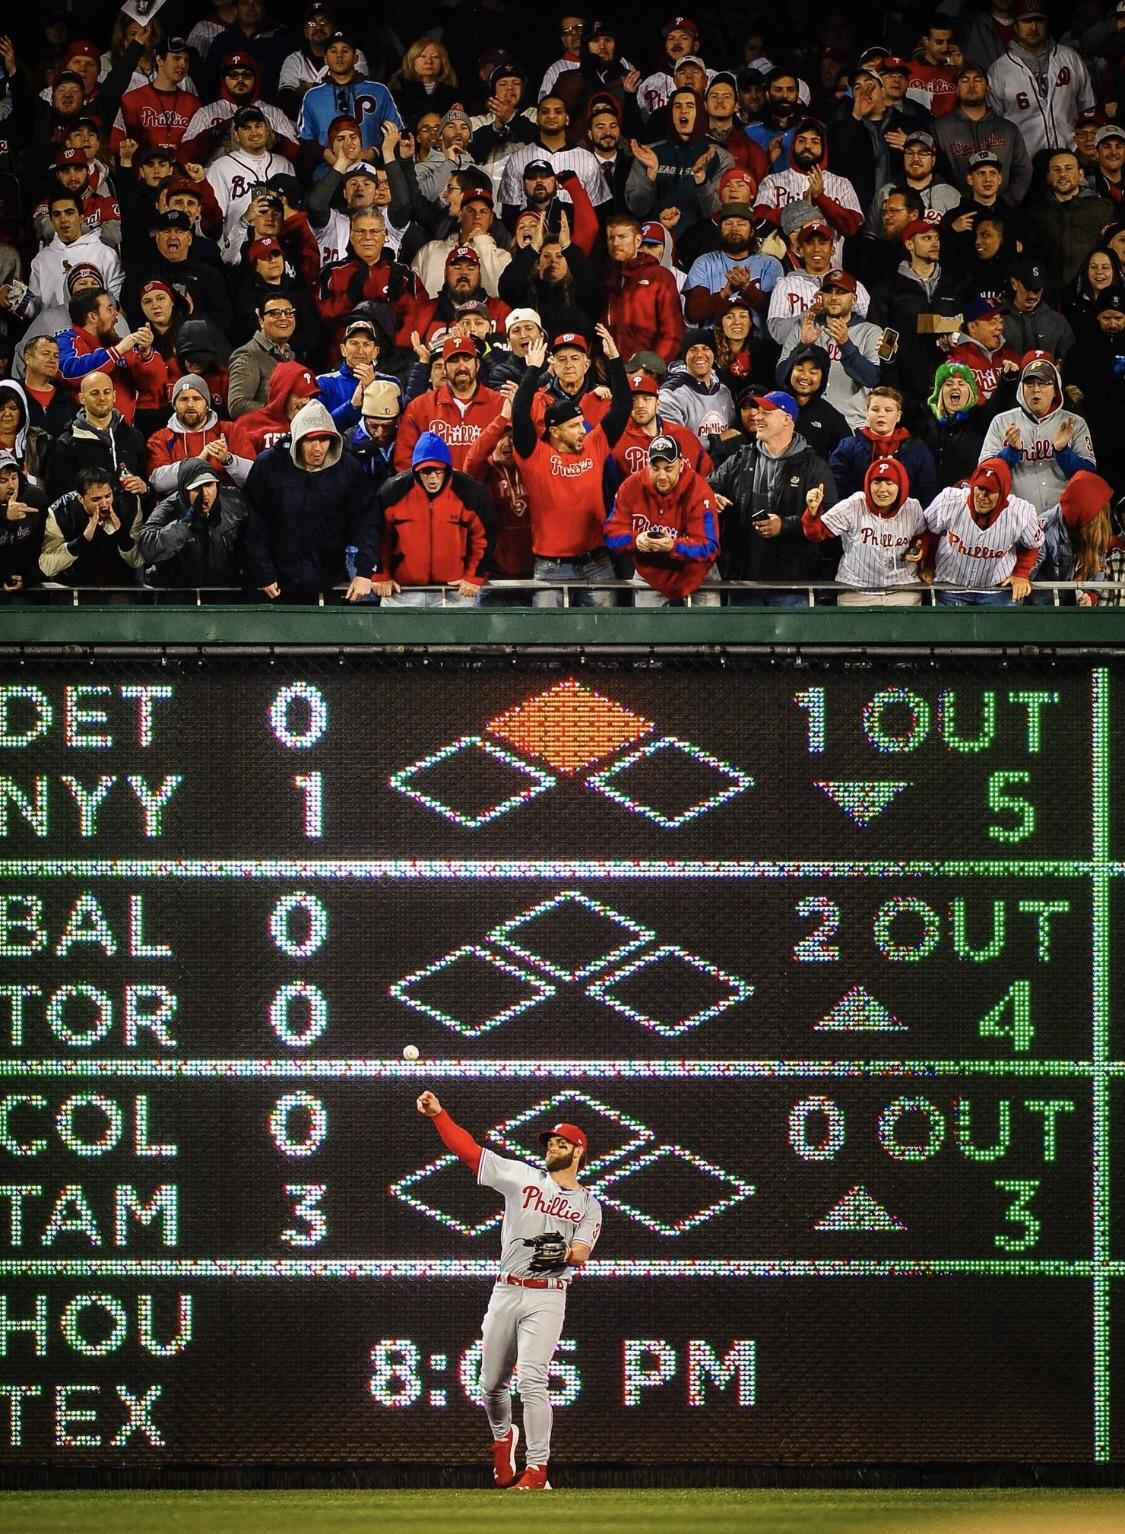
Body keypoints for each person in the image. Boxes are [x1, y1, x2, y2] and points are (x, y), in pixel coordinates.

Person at [415, 1089, 601, 1492]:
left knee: (532, 1380)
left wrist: (565, 1251)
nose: (553, 1146)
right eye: (550, 1142)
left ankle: (537, 1471)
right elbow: (469, 1152)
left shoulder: (588, 1203)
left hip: (548, 1295)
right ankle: (503, 1440)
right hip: (506, 1289)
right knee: (491, 1383)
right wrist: (439, 1115)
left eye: (561, 1143)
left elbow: (582, 1252)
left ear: (578, 1152)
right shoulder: (522, 1177)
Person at [511, 324, 629, 606]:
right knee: (550, 645)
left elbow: (623, 407)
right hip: (551, 567)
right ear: (554, 430)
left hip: (597, 562)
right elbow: (519, 413)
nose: (583, 430)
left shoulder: (594, 444)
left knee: (604, 641)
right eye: (574, 426)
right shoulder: (534, 456)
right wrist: (533, 370)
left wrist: (614, 359)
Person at [708, 390, 837, 604]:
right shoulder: (741, 458)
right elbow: (704, 488)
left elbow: (829, 519)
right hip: (743, 582)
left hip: (791, 584)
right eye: (757, 411)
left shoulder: (814, 467)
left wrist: (785, 525)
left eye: (766, 412)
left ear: (787, 419)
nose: (757, 417)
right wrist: (711, 496)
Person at [243, 399, 379, 601]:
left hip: (330, 581)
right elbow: (254, 523)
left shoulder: (348, 469)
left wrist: (365, 571)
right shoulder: (269, 465)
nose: (318, 448)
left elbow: (367, 521)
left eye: (325, 440)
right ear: (298, 438)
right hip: (275, 584)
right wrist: (262, 571)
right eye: (311, 440)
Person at [373, 431, 492, 606]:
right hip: (402, 593)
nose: (433, 478)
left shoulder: (471, 492)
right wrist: (381, 574)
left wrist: (474, 576)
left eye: (438, 471)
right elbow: (379, 536)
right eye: (426, 471)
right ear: (415, 471)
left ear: (447, 469)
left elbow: (484, 537)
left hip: (457, 593)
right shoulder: (392, 492)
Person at [605, 434, 720, 606]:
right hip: (651, 573)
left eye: (668, 468)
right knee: (647, 631)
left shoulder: (699, 490)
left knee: (705, 631)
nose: (662, 476)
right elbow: (611, 535)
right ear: (647, 465)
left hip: (697, 573)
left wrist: (673, 546)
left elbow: (709, 547)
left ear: (681, 465)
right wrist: (636, 540)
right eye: (656, 468)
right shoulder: (630, 487)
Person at [802, 456, 926, 606]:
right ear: (868, 483)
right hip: (856, 591)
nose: (882, 489)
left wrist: (920, 547)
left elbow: (923, 537)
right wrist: (812, 512)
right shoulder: (853, 505)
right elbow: (815, 533)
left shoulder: (913, 507)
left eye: (889, 483)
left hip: (903, 591)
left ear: (901, 485)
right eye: (877, 482)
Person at [980, 353, 1096, 514]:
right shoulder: (1001, 422)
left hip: (1063, 518)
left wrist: (1063, 452)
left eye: (1043, 383)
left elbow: (1089, 475)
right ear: (1021, 388)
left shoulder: (1074, 423)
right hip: (1016, 519)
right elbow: (984, 476)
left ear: (1056, 389)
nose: (1036, 389)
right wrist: (1010, 452)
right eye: (1030, 383)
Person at [921, 456, 1043, 604]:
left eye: (990, 491)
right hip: (950, 586)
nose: (982, 496)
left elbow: (1033, 544)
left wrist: (1021, 573)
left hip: (997, 589)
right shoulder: (949, 500)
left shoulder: (1021, 511)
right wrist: (927, 564)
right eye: (980, 488)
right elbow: (927, 530)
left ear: (1003, 492)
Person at [395, 333, 503, 471]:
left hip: (486, 491)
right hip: (437, 491)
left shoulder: (500, 405)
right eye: (454, 360)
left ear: (477, 364)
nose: (461, 365)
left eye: (466, 358)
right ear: (445, 368)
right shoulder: (419, 407)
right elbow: (404, 461)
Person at [138, 457, 247, 589]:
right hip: (177, 590)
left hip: (224, 588)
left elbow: (258, 538)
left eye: (209, 485)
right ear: (185, 490)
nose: (205, 494)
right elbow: (147, 549)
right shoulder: (168, 508)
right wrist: (184, 526)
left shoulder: (234, 501)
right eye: (197, 488)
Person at [829, 386, 938, 506]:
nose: (881, 414)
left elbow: (928, 491)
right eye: (875, 409)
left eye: (888, 410)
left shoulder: (918, 450)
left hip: (906, 521)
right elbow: (835, 488)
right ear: (867, 413)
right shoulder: (848, 447)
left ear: (898, 416)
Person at [39, 464, 144, 588]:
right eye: (96, 499)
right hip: (72, 587)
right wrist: (82, 541)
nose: (104, 504)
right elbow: (47, 566)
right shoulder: (61, 512)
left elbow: (137, 561)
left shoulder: (129, 504)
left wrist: (121, 535)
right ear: (81, 498)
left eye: (108, 496)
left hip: (120, 585)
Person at [147, 375, 252, 496]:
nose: (190, 404)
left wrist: (228, 460)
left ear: (207, 404)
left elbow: (253, 476)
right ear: (174, 405)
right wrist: (197, 461)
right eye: (183, 399)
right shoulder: (161, 438)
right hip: (177, 509)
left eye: (196, 398)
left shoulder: (230, 430)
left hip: (225, 508)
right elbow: (158, 483)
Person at [1034, 470, 1116, 604]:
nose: (1104, 518)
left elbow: (1098, 572)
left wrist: (1089, 596)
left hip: (1075, 610)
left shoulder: (1095, 532)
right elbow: (1024, 580)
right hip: (1041, 610)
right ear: (1084, 512)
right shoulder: (1044, 529)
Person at [0, 452, 47, 599]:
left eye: (14, 477)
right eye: (2, 481)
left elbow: (49, 547)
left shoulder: (35, 498)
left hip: (28, 587)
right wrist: (4, 514)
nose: (11, 485)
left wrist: (31, 576)